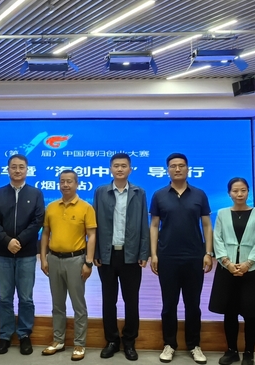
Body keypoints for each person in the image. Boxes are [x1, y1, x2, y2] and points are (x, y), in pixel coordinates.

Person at [149, 153, 213, 364]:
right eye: (173, 166)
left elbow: (206, 225)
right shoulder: (159, 195)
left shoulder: (199, 194)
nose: (177, 169)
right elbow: (154, 226)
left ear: (187, 169)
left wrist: (208, 252)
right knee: (169, 304)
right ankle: (169, 344)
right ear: (167, 170)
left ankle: (194, 345)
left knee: (193, 304)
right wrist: (154, 254)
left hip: (194, 257)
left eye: (181, 166)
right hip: (167, 257)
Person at [209, 177, 255, 365]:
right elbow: (217, 238)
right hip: (227, 270)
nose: (239, 194)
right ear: (229, 193)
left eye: (243, 190)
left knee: (251, 313)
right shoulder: (222, 213)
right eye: (235, 191)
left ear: (248, 191)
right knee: (230, 312)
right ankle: (231, 351)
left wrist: (248, 263)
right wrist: (226, 262)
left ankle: (249, 353)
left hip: (251, 270)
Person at [93, 153, 149, 361]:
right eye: (116, 165)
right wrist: (96, 252)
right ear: (110, 168)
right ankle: (112, 340)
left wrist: (143, 252)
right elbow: (94, 225)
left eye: (123, 166)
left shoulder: (139, 192)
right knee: (109, 300)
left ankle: (129, 342)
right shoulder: (101, 192)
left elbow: (144, 224)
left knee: (131, 300)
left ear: (130, 169)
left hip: (131, 254)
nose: (119, 169)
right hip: (107, 255)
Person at [0, 154, 44, 355]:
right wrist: (7, 241)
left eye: (21, 167)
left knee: (26, 297)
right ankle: (5, 335)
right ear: (8, 169)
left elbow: (37, 221)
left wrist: (18, 241)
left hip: (26, 253)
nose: (17, 170)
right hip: (2, 253)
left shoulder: (36, 193)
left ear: (27, 170)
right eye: (14, 167)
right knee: (5, 297)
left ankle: (24, 335)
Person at [40, 169, 96, 361]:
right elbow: (45, 233)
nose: (65, 185)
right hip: (54, 260)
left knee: (78, 304)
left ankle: (80, 344)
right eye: (62, 181)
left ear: (77, 184)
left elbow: (92, 236)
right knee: (57, 304)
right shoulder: (51, 207)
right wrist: (43, 258)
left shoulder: (86, 208)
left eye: (69, 181)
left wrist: (88, 262)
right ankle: (58, 340)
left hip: (76, 260)